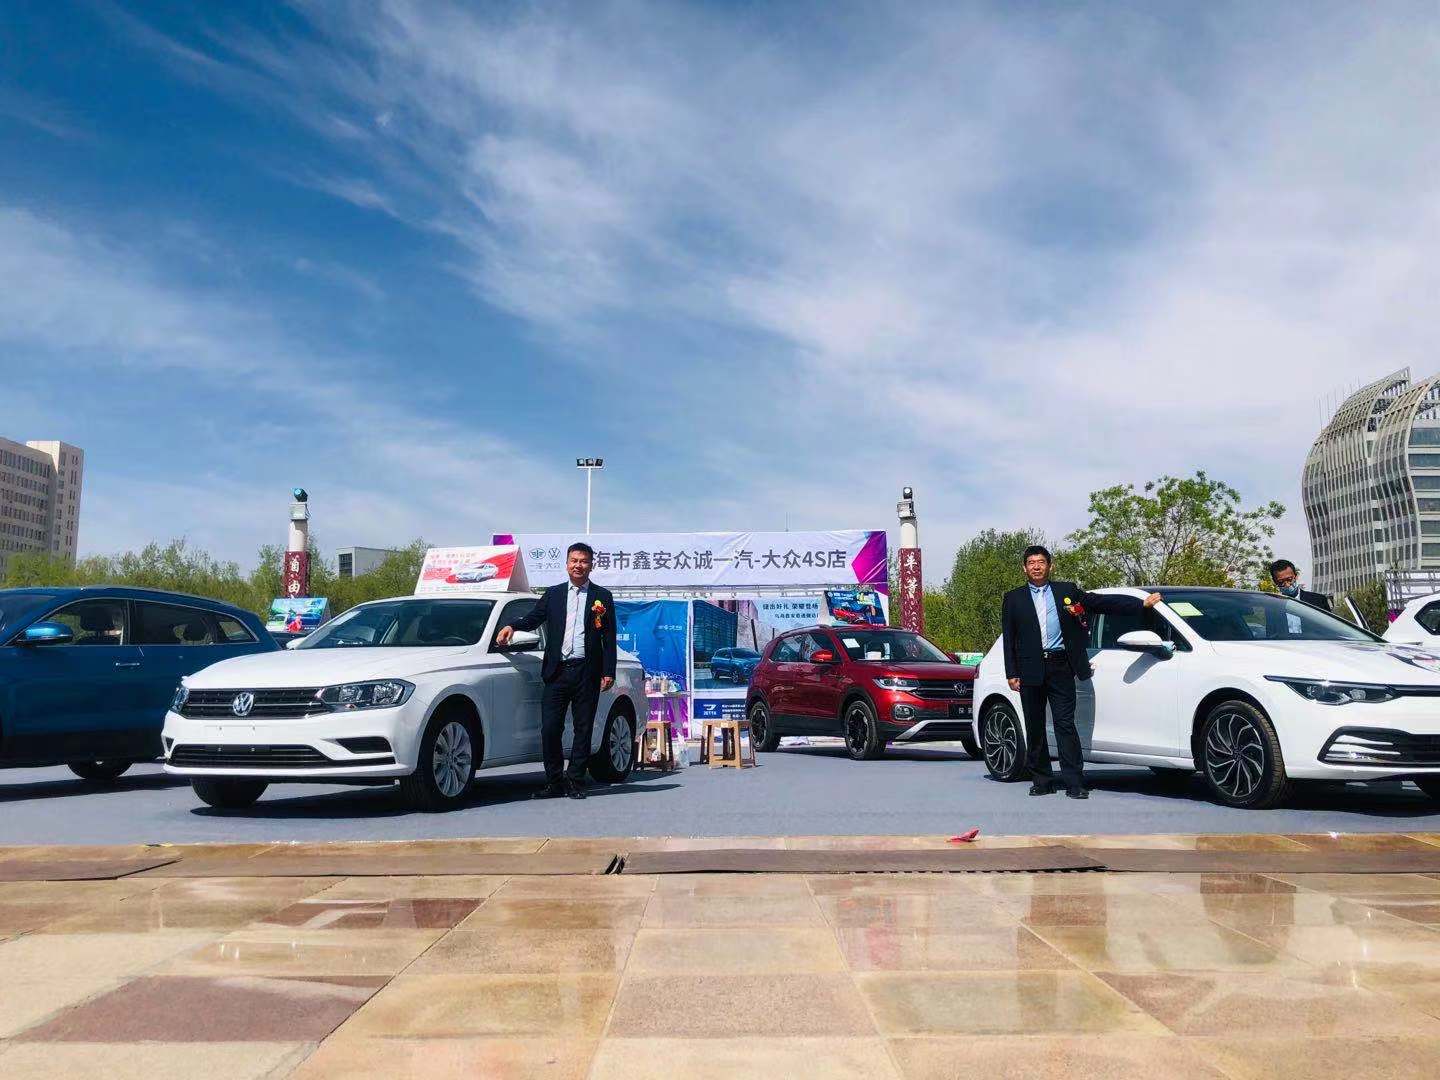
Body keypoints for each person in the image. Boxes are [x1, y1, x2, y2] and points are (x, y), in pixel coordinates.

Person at [1001, 546, 1161, 799]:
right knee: (1035, 725)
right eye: (1031, 563)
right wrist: (1012, 672)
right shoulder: (1013, 598)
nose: (1036, 567)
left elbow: (1099, 602)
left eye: (1041, 562)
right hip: (1030, 669)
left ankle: (1074, 782)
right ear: (1024, 568)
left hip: (1061, 665)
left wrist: (1140, 604)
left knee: (1065, 725)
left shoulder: (1067, 591)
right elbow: (1009, 637)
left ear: (1050, 566)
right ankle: (1041, 780)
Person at [495, 542, 617, 799]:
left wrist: (609, 671)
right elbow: (533, 618)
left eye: (583, 561)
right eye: (574, 560)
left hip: (587, 671)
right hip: (557, 671)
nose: (578, 565)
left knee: (583, 728)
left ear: (591, 565)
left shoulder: (602, 597)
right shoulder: (554, 594)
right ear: (567, 564)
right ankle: (554, 781)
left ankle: (575, 781)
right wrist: (512, 626)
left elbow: (608, 636)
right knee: (550, 728)